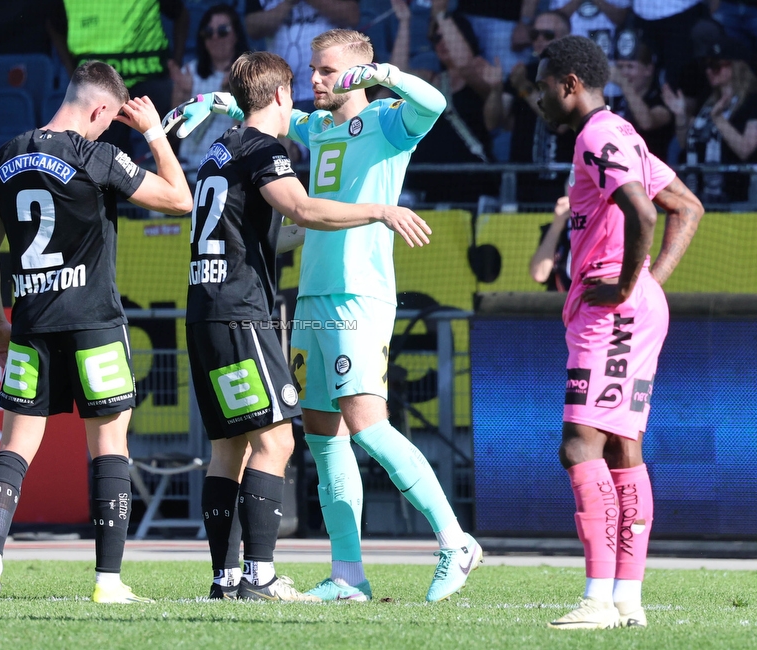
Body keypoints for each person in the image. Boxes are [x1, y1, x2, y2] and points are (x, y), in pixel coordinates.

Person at [165, 28, 484, 603]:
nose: (314, 80)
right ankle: (347, 574)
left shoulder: (389, 122)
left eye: (327, 71)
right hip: (312, 293)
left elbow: (434, 103)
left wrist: (382, 74)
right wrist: (219, 102)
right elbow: (267, 109)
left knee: (368, 423)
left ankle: (455, 541)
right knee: (321, 432)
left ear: (358, 74)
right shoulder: (315, 125)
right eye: (311, 70)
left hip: (360, 293)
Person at [0, 61, 192, 604]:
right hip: (94, 324)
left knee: (13, 449)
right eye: (108, 121)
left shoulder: (6, 155)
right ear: (99, 110)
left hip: (31, 324)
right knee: (110, 446)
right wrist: (155, 134)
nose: (107, 130)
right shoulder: (99, 156)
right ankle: (107, 581)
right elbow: (181, 200)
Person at [533, 35, 704, 629]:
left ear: (569, 84)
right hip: (630, 306)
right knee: (623, 448)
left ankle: (598, 599)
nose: (538, 97)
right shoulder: (624, 132)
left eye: (542, 84)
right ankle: (627, 598)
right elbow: (690, 207)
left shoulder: (597, 135)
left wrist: (630, 283)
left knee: (580, 443)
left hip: (612, 309)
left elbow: (648, 211)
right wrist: (649, 285)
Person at [48, 0, 189, 155]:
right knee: (100, 154)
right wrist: (71, 70)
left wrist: (177, 62)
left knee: (171, 134)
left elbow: (181, 14)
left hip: (150, 78)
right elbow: (54, 26)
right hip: (99, 85)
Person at [400, 5, 500, 204]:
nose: (442, 43)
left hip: (470, 181)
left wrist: (440, 12)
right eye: (436, 39)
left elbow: (463, 64)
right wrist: (404, 21)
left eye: (446, 35)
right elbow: (396, 77)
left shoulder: (482, 73)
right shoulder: (430, 78)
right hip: (427, 180)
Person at [662, 35, 757, 204]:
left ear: (736, 66)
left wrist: (718, 119)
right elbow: (685, 144)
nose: (708, 71)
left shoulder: (756, 102)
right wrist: (680, 115)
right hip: (697, 195)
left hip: (737, 199)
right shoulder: (707, 100)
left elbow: (745, 150)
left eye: (715, 66)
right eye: (707, 66)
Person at [483, 10, 574, 204]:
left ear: (566, 39)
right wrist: (495, 90)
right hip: (523, 181)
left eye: (548, 35)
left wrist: (525, 88)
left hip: (561, 184)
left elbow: (560, 123)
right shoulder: (523, 72)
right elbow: (493, 123)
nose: (540, 40)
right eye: (535, 35)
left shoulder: (574, 77)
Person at [168, 4, 249, 178]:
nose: (215, 38)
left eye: (222, 31)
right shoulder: (190, 72)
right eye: (208, 32)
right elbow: (175, 132)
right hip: (190, 169)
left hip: (229, 168)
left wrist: (237, 92)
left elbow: (247, 130)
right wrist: (182, 96)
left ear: (236, 35)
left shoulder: (250, 74)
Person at [245, 1, 361, 113]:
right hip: (280, 93)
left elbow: (352, 15)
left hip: (328, 90)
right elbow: (252, 27)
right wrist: (287, 3)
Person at [608, 30, 674, 162]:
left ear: (648, 70)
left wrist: (623, 84)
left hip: (651, 175)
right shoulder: (618, 101)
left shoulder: (661, 100)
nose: (624, 73)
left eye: (630, 67)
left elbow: (647, 123)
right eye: (620, 67)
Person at [530, 195, 572, 291]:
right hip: (559, 300)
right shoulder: (556, 230)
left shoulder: (600, 228)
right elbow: (539, 274)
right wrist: (557, 225)